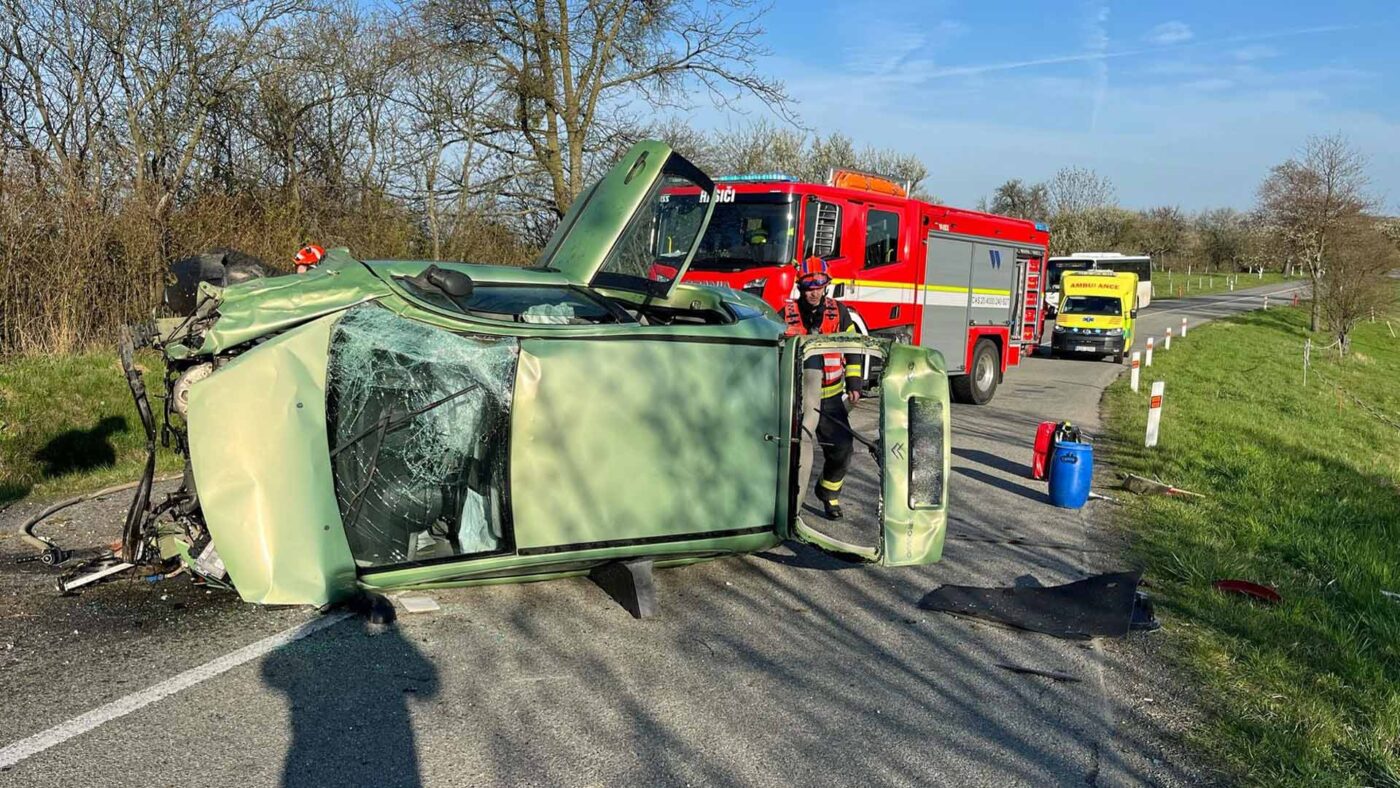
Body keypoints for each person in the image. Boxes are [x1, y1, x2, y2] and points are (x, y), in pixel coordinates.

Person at [782, 256, 864, 519]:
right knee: (790, 452)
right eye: (808, 285)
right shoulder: (785, 314)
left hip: (830, 398)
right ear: (800, 286)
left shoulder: (839, 312)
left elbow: (853, 348)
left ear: (826, 285)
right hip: (795, 399)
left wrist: (854, 383)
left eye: (819, 285)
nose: (814, 291)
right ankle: (786, 505)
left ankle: (828, 493)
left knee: (842, 450)